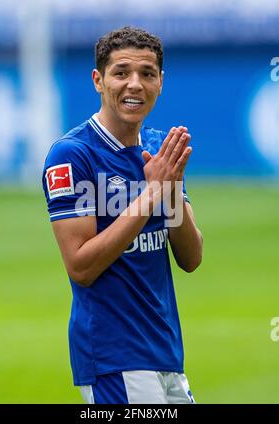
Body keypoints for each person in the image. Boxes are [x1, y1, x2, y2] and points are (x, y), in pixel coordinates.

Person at [42, 26, 203, 404]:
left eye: (147, 74)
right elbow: (80, 267)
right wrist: (151, 194)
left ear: (160, 82)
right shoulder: (72, 154)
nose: (135, 84)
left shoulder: (157, 146)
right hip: (114, 357)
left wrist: (171, 193)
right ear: (99, 80)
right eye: (121, 73)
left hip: (166, 352)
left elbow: (191, 258)